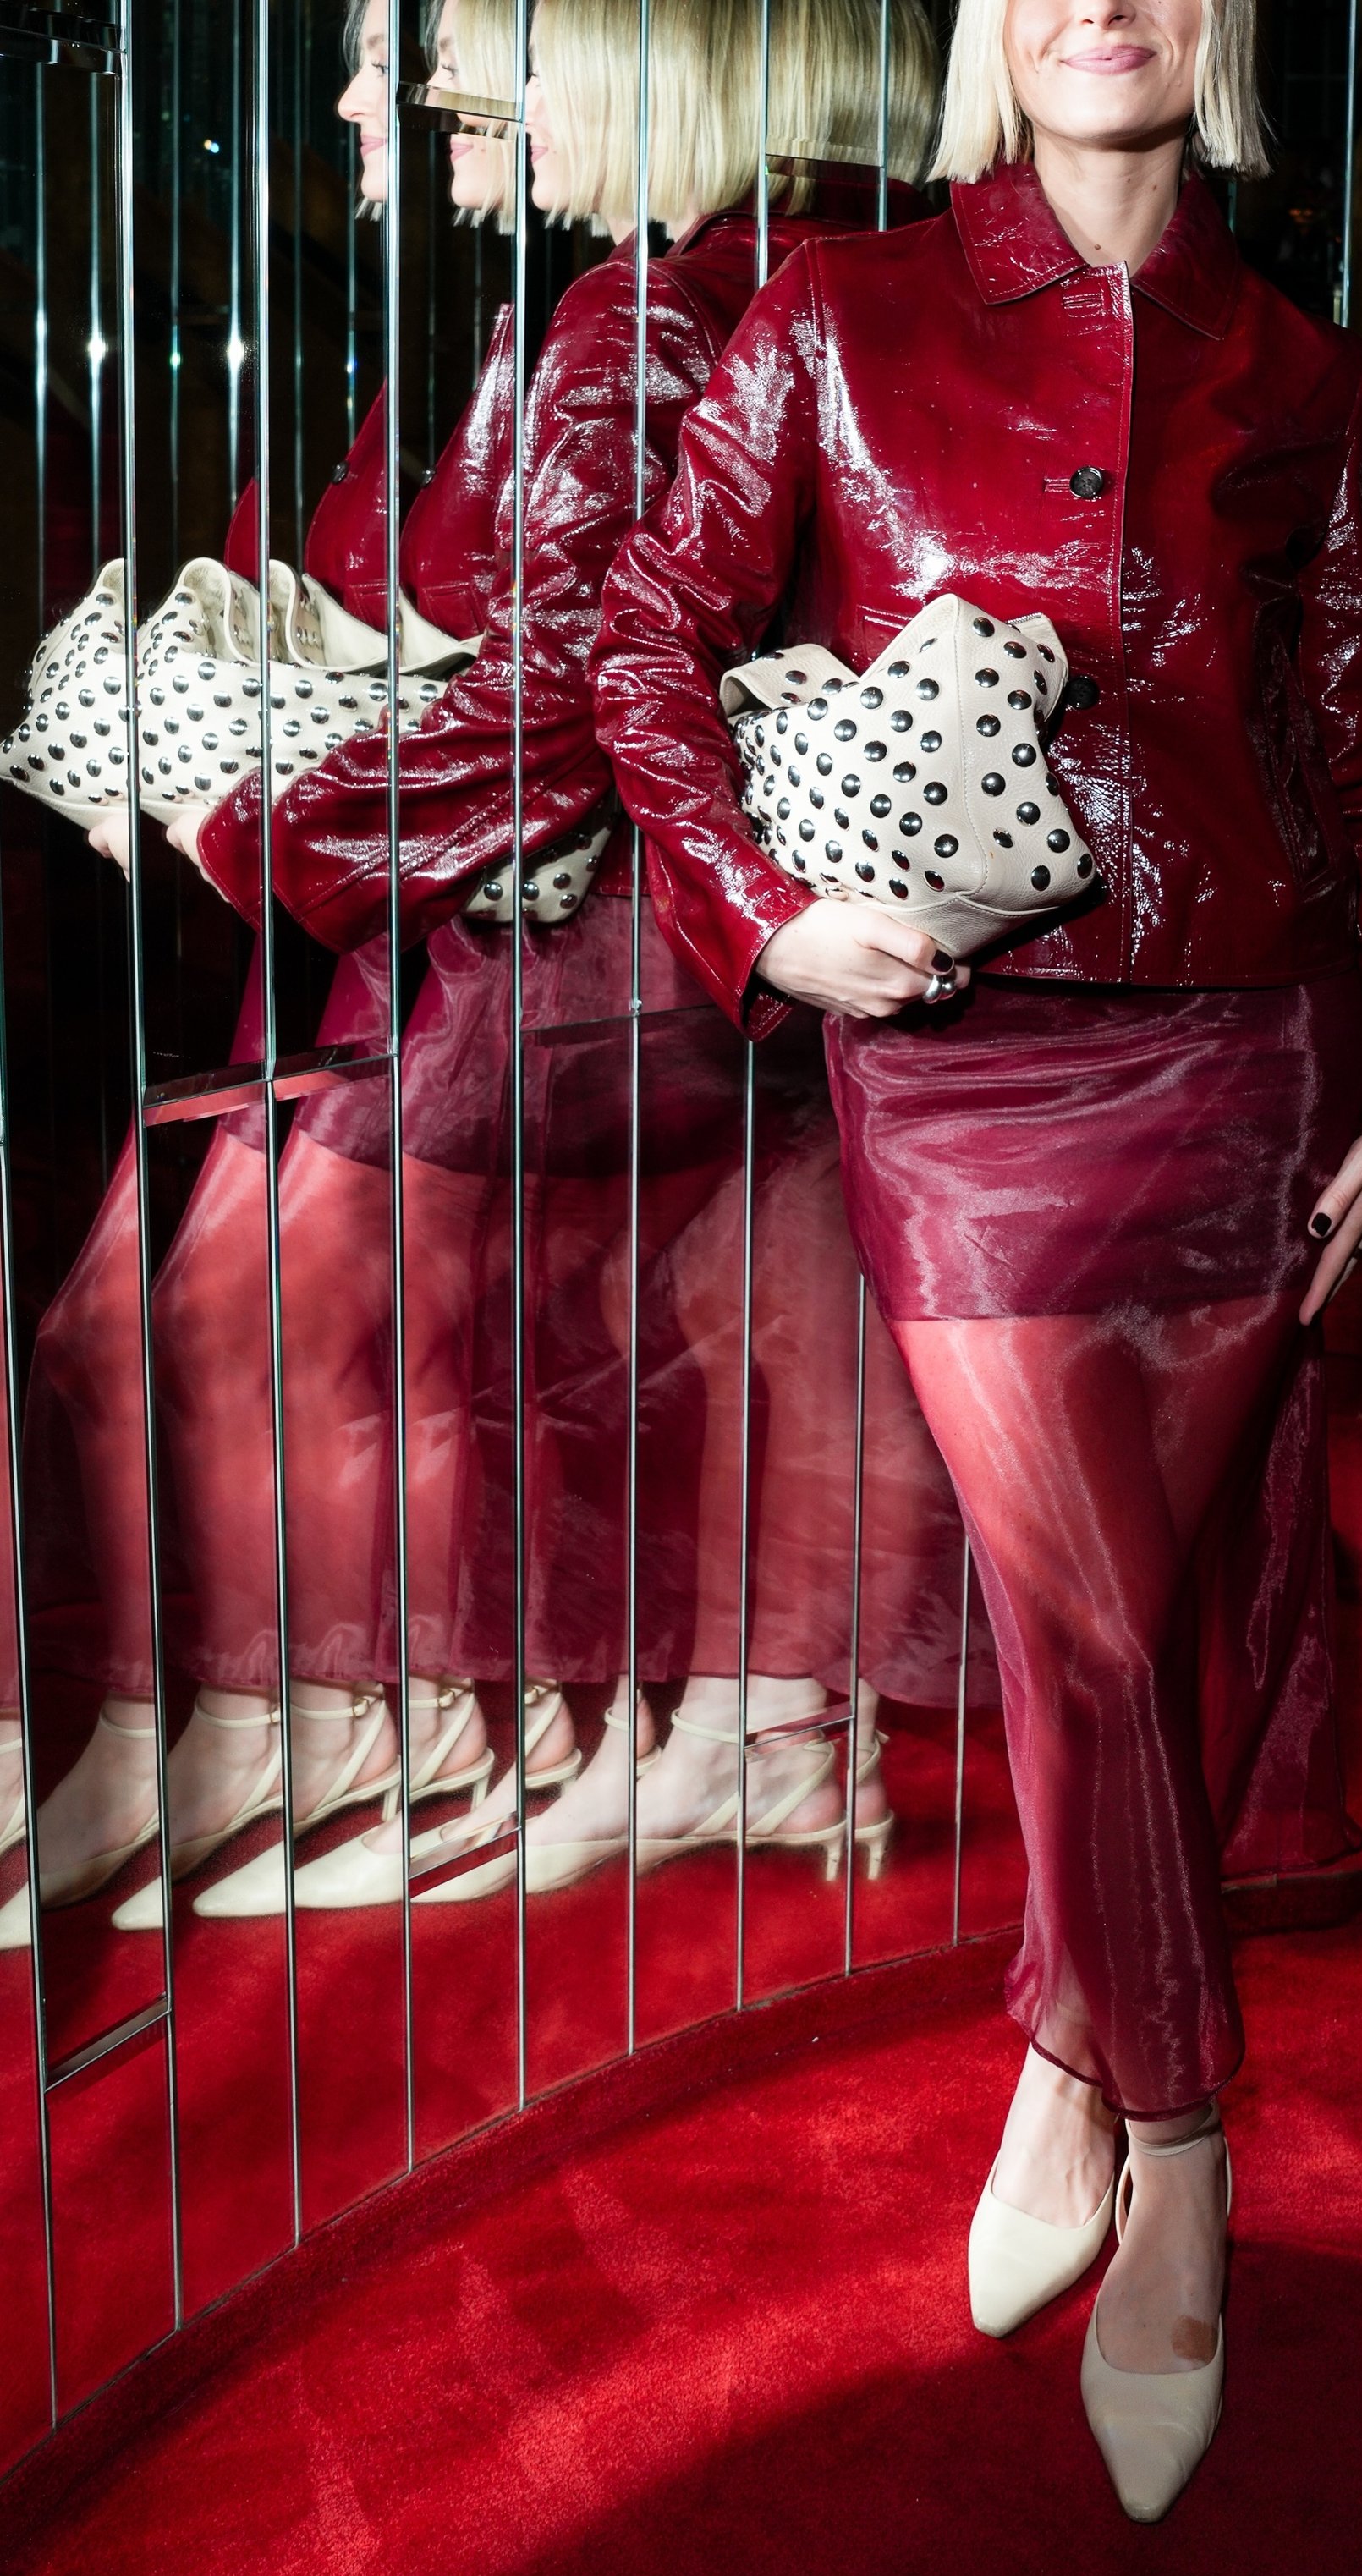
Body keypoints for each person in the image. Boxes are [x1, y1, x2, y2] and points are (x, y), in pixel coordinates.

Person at [590, 0, 1362, 2518]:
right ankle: (1182, 2151)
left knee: (1150, 1630)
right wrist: (761, 914)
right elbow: (649, 639)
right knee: (1078, 1622)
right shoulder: (832, 317)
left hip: (1247, 1061)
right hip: (963, 1075)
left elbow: (1352, 748)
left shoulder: (1300, 369)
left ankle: (1065, 2061)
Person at [184, 0, 946, 1910]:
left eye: (449, 58)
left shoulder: (650, 309)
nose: (410, 97)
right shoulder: (810, 264)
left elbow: (566, 691)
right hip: (753, 906)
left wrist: (248, 818)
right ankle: (730, 1734)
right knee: (753, 1304)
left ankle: (443, 1712)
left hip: (620, 922)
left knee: (303, 1312)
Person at [2, 0, 527, 1949]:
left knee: (206, 1321)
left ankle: (323, 1723)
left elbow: (502, 710)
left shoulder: (575, 350)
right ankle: (219, 1720)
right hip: (341, 940)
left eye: (405, 56)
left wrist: (235, 764)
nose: (352, 97)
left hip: (457, 956)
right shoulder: (432, 359)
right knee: (114, 1324)